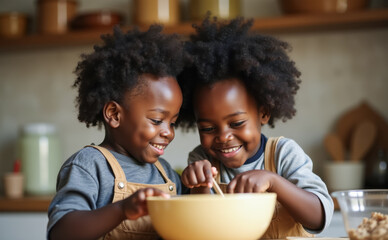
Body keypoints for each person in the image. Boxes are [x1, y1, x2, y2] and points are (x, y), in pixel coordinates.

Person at [177, 16, 334, 239]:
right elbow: (199, 228)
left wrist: (274, 181)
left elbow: (319, 217)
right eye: (208, 129)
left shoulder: (284, 154)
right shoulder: (202, 159)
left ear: (263, 113)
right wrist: (200, 186)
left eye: (236, 123)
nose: (223, 137)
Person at [47, 25, 188, 240]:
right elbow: (61, 232)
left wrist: (201, 182)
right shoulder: (89, 165)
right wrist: (122, 210)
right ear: (114, 114)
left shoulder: (165, 172)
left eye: (173, 123)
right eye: (157, 120)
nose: (168, 132)